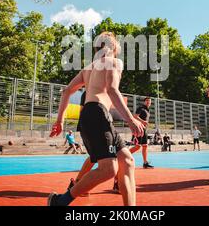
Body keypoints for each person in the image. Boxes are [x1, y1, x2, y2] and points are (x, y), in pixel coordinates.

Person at [48, 32, 145, 206]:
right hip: (97, 114)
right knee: (109, 169)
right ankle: (60, 201)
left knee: (128, 161)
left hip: (94, 114)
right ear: (114, 46)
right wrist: (131, 120)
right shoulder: (115, 62)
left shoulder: (88, 68)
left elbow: (66, 91)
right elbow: (112, 90)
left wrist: (60, 121)